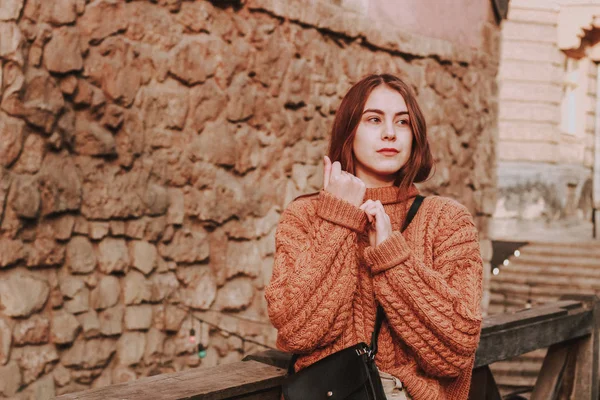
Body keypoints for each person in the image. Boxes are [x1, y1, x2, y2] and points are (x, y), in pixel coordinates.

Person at [265, 74, 484, 400]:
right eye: (373, 119)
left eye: (403, 122)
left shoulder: (446, 220)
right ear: (349, 130)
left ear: (415, 136)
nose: (390, 133)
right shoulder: (307, 215)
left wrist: (392, 258)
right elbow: (298, 331)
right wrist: (339, 218)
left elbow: (456, 348)